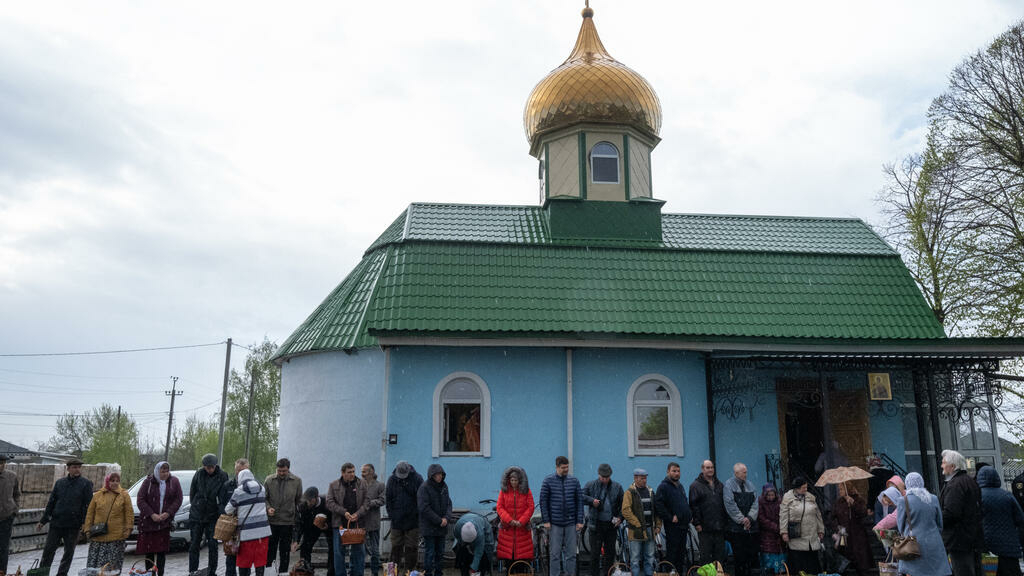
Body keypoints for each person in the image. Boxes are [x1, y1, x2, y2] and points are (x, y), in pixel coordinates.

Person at [36, 457, 93, 576]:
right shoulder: (60, 483)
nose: (77, 469)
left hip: (73, 524)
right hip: (57, 522)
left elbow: (87, 505)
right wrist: (43, 520)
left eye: (79, 467)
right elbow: (51, 503)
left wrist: (84, 522)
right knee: (48, 550)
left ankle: (62, 574)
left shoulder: (86, 484)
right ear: (68, 469)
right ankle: (42, 573)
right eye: (74, 467)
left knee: (68, 552)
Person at [81, 465, 134, 572]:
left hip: (116, 537)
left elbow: (129, 513)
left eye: (117, 481)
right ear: (107, 481)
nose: (115, 483)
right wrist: (87, 529)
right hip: (98, 535)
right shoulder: (97, 495)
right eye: (112, 480)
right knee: (95, 566)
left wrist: (128, 528)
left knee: (112, 565)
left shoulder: (124, 495)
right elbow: (90, 513)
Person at [940, 450, 984, 576]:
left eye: (944, 463)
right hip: (972, 536)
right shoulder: (970, 481)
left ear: (953, 466)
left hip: (958, 539)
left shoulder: (955, 485)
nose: (942, 466)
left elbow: (951, 513)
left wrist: (937, 519)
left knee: (963, 570)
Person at [897, 472, 951, 576]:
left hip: (913, 545)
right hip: (934, 542)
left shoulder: (903, 501)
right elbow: (940, 523)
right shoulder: (933, 498)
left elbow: (900, 526)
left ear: (907, 484)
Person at [136, 461, 183, 576]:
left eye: (167, 471)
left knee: (162, 552)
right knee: (149, 552)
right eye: (162, 471)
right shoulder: (148, 482)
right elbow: (140, 500)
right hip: (149, 523)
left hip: (164, 523)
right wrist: (152, 514)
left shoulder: (174, 482)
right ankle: (150, 574)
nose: (165, 474)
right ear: (157, 471)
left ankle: (161, 573)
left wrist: (168, 513)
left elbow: (178, 499)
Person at [540, 456, 584, 576]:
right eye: (563, 468)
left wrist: (579, 520)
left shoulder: (574, 481)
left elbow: (579, 501)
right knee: (555, 554)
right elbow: (543, 501)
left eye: (567, 467)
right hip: (555, 524)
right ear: (557, 467)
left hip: (571, 523)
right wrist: (546, 520)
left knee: (571, 554)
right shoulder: (548, 481)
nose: (566, 470)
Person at [977, 466, 1024, 576]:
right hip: (1009, 548)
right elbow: (1020, 519)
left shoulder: (978, 496)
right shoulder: (1007, 496)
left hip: (988, 546)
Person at [225, 468, 273, 576]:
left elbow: (228, 510)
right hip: (263, 533)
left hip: (246, 534)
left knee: (244, 563)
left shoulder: (239, 491)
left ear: (240, 479)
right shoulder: (262, 488)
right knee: (260, 562)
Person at [189, 453, 229, 575]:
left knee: (213, 545)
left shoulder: (222, 475)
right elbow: (193, 492)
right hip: (197, 514)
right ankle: (193, 571)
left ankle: (212, 571)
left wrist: (220, 510)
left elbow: (224, 495)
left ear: (215, 465)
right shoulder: (199, 474)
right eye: (207, 467)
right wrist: (196, 504)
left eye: (211, 467)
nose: (209, 470)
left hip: (213, 516)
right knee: (194, 544)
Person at [328, 462, 368, 576]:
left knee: (359, 552)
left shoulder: (362, 484)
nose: (352, 474)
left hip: (357, 523)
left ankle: (357, 574)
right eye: (349, 472)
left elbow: (367, 501)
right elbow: (329, 502)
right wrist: (343, 512)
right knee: (339, 553)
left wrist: (358, 514)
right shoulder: (334, 485)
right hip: (339, 523)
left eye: (353, 471)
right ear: (342, 473)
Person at [583, 464, 623, 576]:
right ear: (598, 475)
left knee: (610, 554)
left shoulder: (617, 487)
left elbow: (623, 505)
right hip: (596, 524)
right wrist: (592, 501)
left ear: (610, 476)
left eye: (607, 477)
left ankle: (608, 574)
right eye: (602, 477)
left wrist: (620, 518)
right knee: (594, 554)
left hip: (611, 524)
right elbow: (580, 496)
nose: (605, 479)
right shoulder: (590, 485)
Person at [265, 457, 303, 574]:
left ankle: (283, 573)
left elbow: (298, 500)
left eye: (284, 471)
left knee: (285, 551)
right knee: (270, 550)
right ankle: (269, 573)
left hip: (288, 522)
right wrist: (268, 508)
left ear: (288, 469)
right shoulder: (269, 480)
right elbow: (264, 498)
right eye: (279, 471)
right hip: (272, 521)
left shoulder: (297, 481)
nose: (281, 473)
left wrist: (295, 516)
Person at [779, 477, 823, 576]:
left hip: (811, 535)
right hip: (797, 535)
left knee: (812, 564)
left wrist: (821, 530)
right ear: (797, 488)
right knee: (799, 564)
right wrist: (784, 532)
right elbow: (783, 516)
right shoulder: (788, 498)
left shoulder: (811, 497)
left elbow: (818, 515)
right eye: (803, 488)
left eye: (806, 487)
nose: (806, 489)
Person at [386, 461, 423, 576]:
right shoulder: (391, 480)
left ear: (409, 470)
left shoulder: (417, 479)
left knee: (411, 549)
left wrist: (417, 515)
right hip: (396, 521)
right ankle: (392, 574)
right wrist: (392, 515)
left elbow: (421, 499)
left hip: (413, 521)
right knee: (395, 549)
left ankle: (409, 573)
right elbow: (388, 499)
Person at [622, 469, 660, 576]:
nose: (644, 480)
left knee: (650, 557)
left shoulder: (650, 491)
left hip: (650, 529)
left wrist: (658, 525)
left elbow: (656, 510)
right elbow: (625, 510)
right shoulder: (629, 492)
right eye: (642, 478)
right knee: (635, 558)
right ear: (635, 478)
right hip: (635, 530)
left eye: (645, 478)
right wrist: (637, 523)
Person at [418, 463, 454, 576]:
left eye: (441, 474)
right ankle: (428, 573)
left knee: (440, 552)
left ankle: (439, 573)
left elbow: (449, 503)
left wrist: (446, 518)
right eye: (437, 474)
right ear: (432, 475)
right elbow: (424, 508)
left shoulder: (444, 486)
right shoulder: (424, 488)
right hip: (429, 527)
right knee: (430, 552)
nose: (440, 476)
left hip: (442, 527)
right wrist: (439, 520)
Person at [497, 466, 536, 569]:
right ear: (508, 480)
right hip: (507, 528)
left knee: (522, 559)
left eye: (516, 480)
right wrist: (509, 520)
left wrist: (521, 521)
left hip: (522, 529)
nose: (513, 482)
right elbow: (499, 507)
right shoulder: (504, 491)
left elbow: (530, 507)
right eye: (512, 480)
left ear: (520, 480)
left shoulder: (526, 491)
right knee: (508, 559)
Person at [655, 462, 690, 574]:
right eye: (674, 471)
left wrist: (689, 515)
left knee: (681, 553)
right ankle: (670, 573)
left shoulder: (680, 486)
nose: (676, 473)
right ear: (668, 472)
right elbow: (659, 505)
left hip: (683, 525)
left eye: (678, 471)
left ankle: (679, 573)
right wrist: (670, 517)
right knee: (672, 553)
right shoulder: (663, 487)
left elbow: (684, 503)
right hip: (672, 526)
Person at [689, 460, 726, 565]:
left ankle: (718, 572)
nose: (710, 470)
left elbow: (724, 504)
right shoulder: (695, 486)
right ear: (702, 469)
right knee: (706, 556)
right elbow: (693, 505)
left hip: (719, 527)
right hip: (704, 528)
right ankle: (706, 573)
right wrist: (697, 523)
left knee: (719, 556)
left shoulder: (719, 485)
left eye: (712, 467)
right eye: (707, 468)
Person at [723, 463, 758, 576]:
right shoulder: (729, 485)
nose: (746, 474)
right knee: (739, 557)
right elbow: (730, 505)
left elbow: (755, 504)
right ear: (736, 473)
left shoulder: (750, 485)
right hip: (736, 529)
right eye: (744, 472)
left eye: (746, 472)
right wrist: (742, 520)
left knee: (750, 556)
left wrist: (750, 518)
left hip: (750, 528)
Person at [291, 486, 334, 576]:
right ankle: (306, 571)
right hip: (311, 528)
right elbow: (300, 524)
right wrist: (296, 540)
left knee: (333, 548)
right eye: (307, 500)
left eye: (311, 500)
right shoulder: (303, 505)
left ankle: (331, 572)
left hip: (327, 527)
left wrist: (328, 526)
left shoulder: (327, 503)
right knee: (305, 547)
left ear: (316, 497)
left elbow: (334, 519)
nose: (309, 503)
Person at [834, 483, 871, 576]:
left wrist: (853, 503)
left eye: (841, 489)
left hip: (857, 536)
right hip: (844, 535)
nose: (839, 491)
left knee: (861, 562)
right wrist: (837, 527)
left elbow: (863, 513)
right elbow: (833, 517)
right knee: (845, 562)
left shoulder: (858, 500)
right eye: (839, 489)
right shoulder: (839, 502)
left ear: (848, 489)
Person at [225, 458, 251, 576]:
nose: (240, 473)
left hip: (246, 525)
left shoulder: (254, 486)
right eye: (238, 470)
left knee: (245, 555)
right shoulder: (228, 485)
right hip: (231, 524)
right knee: (230, 553)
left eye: (243, 470)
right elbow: (222, 504)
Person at [361, 464, 386, 576]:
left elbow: (382, 500)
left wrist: (369, 503)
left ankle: (374, 572)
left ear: (371, 472)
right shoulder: (359, 484)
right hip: (361, 522)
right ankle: (358, 571)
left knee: (375, 550)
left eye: (364, 472)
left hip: (373, 522)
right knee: (359, 550)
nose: (362, 474)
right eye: (362, 471)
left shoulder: (380, 485)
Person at [454, 512, 495, 576]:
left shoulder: (480, 534)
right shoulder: (457, 527)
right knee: (461, 553)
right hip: (466, 520)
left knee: (485, 554)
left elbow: (478, 553)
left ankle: (483, 570)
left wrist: (473, 569)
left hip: (483, 526)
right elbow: (458, 539)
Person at [756, 484, 784, 576]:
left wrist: (781, 526)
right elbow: (761, 518)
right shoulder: (760, 502)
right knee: (769, 557)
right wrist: (775, 526)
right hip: (766, 534)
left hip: (778, 533)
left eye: (772, 495)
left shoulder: (779, 501)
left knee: (780, 557)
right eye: (768, 495)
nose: (771, 497)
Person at [0, 454, 20, 576]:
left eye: (3, 463)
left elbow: (17, 494)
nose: (1, 465)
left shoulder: (12, 476)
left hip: (6, 517)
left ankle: (2, 572)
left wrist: (15, 510)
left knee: (3, 548)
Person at [867, 457, 895, 522]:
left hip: (879, 500)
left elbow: (872, 491)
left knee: (879, 522)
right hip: (891, 500)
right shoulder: (890, 473)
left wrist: (870, 506)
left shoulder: (873, 475)